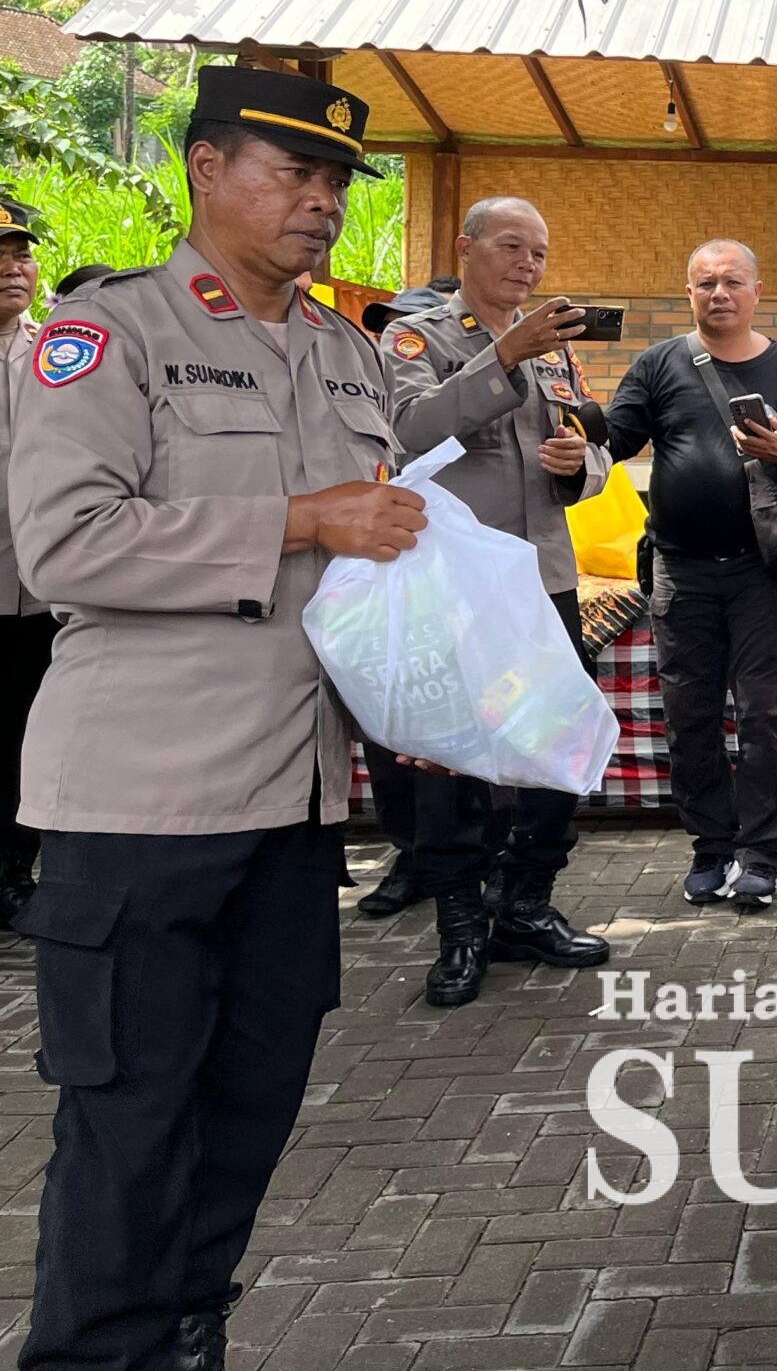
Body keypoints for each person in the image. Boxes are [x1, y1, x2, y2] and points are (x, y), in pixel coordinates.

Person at [7, 67, 427, 1371]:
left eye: (337, 182)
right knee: (131, 1122)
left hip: (293, 801)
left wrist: (417, 688)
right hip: (141, 804)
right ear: (204, 166)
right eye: (293, 173)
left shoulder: (350, 354)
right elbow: (66, 544)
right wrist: (299, 521)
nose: (322, 203)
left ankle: (188, 1332)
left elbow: (366, 567)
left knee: (252, 1102)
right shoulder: (106, 336)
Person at [377, 197, 612, 1004]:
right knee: (453, 762)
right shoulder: (415, 338)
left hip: (544, 578)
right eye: (512, 246)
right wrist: (503, 356)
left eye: (539, 253)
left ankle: (526, 906)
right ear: (466, 247)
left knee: (553, 747)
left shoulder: (556, 349)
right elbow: (409, 432)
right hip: (459, 586)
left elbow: (592, 445)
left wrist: (580, 462)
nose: (528, 265)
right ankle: (459, 925)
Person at [605, 239, 777, 912]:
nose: (719, 294)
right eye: (705, 283)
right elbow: (614, 439)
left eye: (732, 282)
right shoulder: (659, 364)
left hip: (762, 573)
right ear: (689, 293)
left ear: (757, 291)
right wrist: (572, 425)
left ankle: (760, 854)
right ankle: (710, 849)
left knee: (765, 717)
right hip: (680, 571)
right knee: (691, 717)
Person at [348, 280, 455, 919]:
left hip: (451, 575)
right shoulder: (356, 386)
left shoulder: (468, 384)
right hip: (380, 575)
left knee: (449, 729)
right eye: (387, 328)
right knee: (387, 724)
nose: (396, 341)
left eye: (410, 329)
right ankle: (409, 852)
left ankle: (466, 869)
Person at [0, 195, 52, 921]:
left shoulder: (59, 353)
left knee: (27, 736)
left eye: (21, 256)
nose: (14, 269)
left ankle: (15, 873)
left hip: (41, 592)